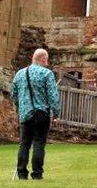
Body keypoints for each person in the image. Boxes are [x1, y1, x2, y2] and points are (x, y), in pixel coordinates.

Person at [10, 48, 61, 180]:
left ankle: (21, 173)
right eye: (47, 59)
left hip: (25, 113)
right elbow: (53, 95)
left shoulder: (19, 74)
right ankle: (37, 173)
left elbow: (14, 95)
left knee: (24, 143)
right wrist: (55, 113)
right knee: (39, 143)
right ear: (43, 59)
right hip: (42, 113)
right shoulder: (47, 74)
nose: (47, 62)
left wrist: (20, 108)